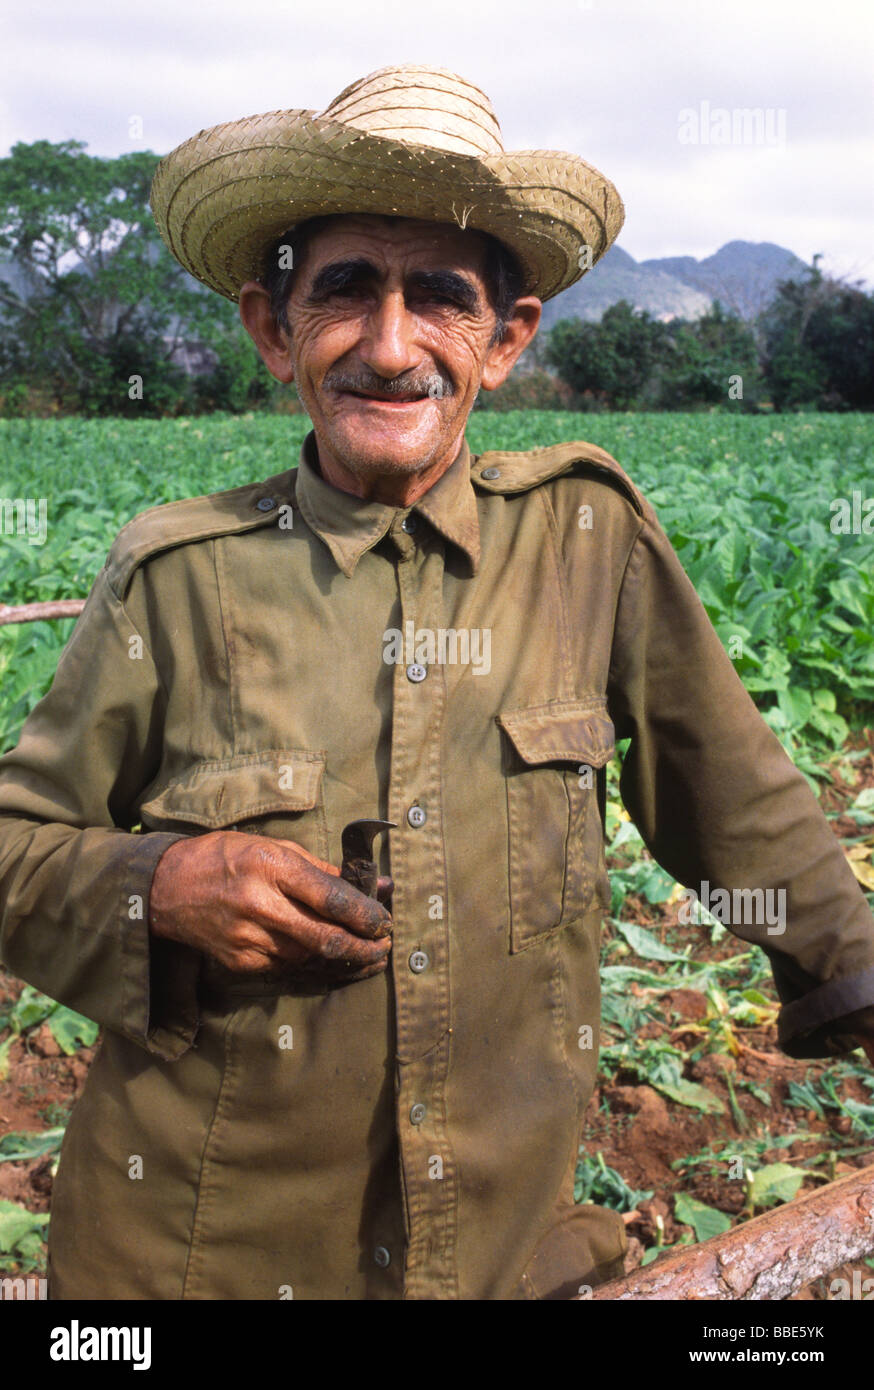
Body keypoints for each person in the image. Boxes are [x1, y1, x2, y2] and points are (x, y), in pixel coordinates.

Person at [0, 64, 872, 1302]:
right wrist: (159, 883)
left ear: (505, 339)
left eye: (441, 299)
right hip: (195, 1268)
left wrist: (857, 981)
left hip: (502, 1261)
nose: (392, 346)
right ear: (273, 327)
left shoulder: (586, 539)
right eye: (346, 289)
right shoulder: (177, 578)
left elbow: (737, 811)